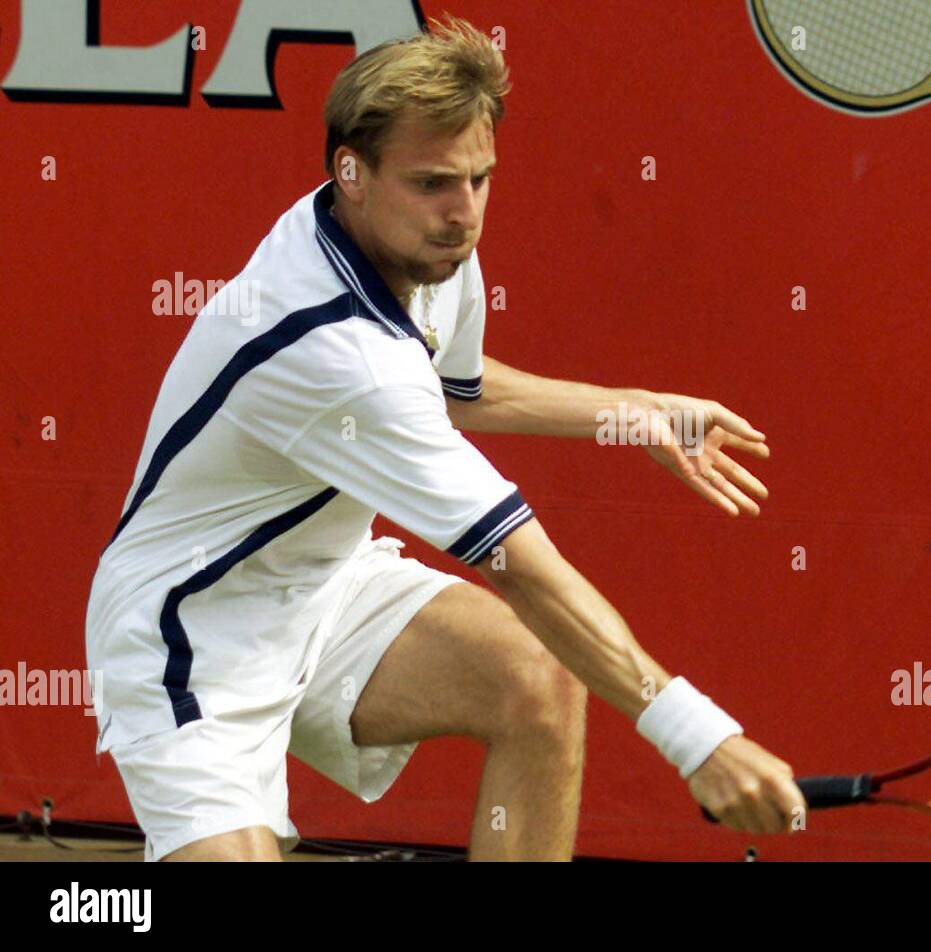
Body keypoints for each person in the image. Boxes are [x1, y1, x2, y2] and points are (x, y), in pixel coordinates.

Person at [85, 16, 804, 862]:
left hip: (328, 587)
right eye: (432, 184)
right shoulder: (330, 348)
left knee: (535, 679)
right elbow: (519, 565)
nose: (463, 215)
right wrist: (700, 739)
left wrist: (628, 407)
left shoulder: (422, 251)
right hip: (192, 639)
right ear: (350, 172)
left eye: (479, 179)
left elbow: (451, 390)